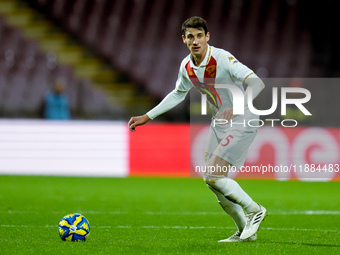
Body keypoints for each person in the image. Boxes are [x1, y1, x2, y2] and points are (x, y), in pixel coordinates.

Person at [128, 16, 266, 242]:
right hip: (220, 123)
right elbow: (178, 93)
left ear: (207, 37)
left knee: (211, 174)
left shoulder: (222, 58)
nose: (195, 41)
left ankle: (255, 210)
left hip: (244, 118)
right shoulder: (186, 66)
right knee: (214, 183)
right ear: (183, 39)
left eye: (200, 36)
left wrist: (238, 107)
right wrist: (148, 116)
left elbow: (257, 82)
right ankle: (244, 232)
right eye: (190, 36)